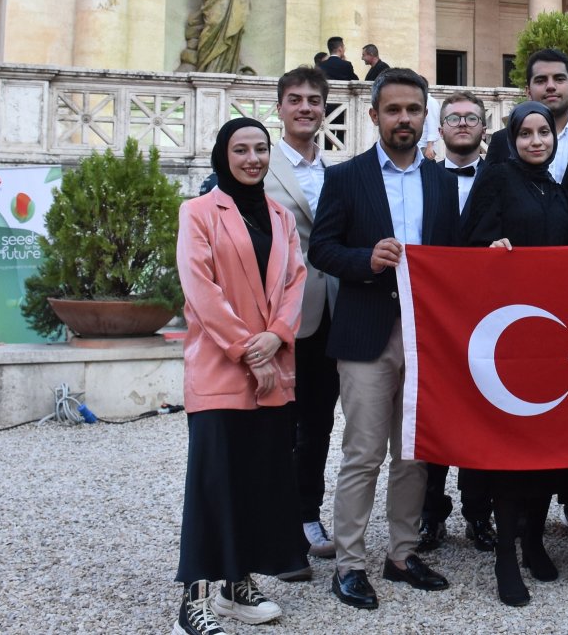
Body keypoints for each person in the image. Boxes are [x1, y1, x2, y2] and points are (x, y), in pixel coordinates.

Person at [308, 69, 459, 611]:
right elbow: (321, 249)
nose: (403, 119)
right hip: (366, 332)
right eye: (393, 110)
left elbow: (455, 257)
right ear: (374, 116)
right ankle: (349, 564)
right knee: (363, 452)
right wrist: (365, 260)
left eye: (413, 110)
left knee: (413, 453)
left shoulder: (442, 182)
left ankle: (402, 553)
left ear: (425, 116)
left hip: (426, 337)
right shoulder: (346, 177)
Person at [172, 117, 309, 635]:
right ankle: (195, 599)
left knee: (258, 479)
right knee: (213, 483)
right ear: (222, 155)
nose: (252, 158)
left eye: (260, 149)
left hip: (275, 368)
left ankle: (237, 585)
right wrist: (252, 351)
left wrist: (277, 335)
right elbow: (200, 288)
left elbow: (296, 280)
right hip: (221, 369)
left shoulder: (281, 217)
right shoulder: (199, 211)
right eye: (241, 149)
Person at [459, 101, 568, 606]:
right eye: (526, 133)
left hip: (552, 335)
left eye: (543, 132)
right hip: (508, 335)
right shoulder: (497, 179)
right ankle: (505, 554)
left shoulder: (555, 187)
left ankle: (533, 540)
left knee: (548, 442)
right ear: (510, 138)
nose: (535, 140)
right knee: (512, 447)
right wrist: (493, 249)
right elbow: (466, 243)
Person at [263, 67, 339, 572]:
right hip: (283, 313)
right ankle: (277, 524)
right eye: (296, 99)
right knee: (281, 424)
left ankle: (309, 513)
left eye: (314, 99)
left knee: (318, 421)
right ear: (280, 107)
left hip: (336, 311)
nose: (306, 107)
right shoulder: (262, 166)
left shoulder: (338, 170)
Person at [418, 91, 496, 555]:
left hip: (487, 318)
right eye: (453, 118)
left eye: (471, 117)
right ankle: (430, 515)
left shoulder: (502, 178)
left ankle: (479, 513)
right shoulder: (422, 179)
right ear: (441, 129)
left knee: (483, 416)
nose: (462, 124)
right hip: (436, 319)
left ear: (485, 127)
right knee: (434, 416)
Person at [485, 48, 568, 213]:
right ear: (528, 92)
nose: (550, 86)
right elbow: (487, 203)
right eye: (541, 80)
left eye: (559, 79)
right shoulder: (502, 140)